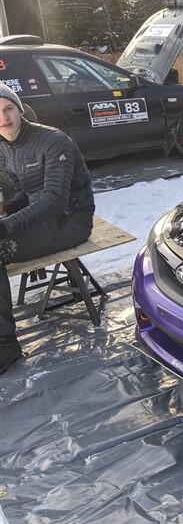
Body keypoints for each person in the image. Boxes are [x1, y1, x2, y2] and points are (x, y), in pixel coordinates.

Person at [0, 82, 95, 374]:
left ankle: (6, 345)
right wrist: (5, 209)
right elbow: (26, 193)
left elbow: (54, 200)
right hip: (39, 218)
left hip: (69, 220)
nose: (3, 117)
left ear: (19, 109)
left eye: (8, 109)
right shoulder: (5, 145)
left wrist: (5, 227)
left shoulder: (53, 141)